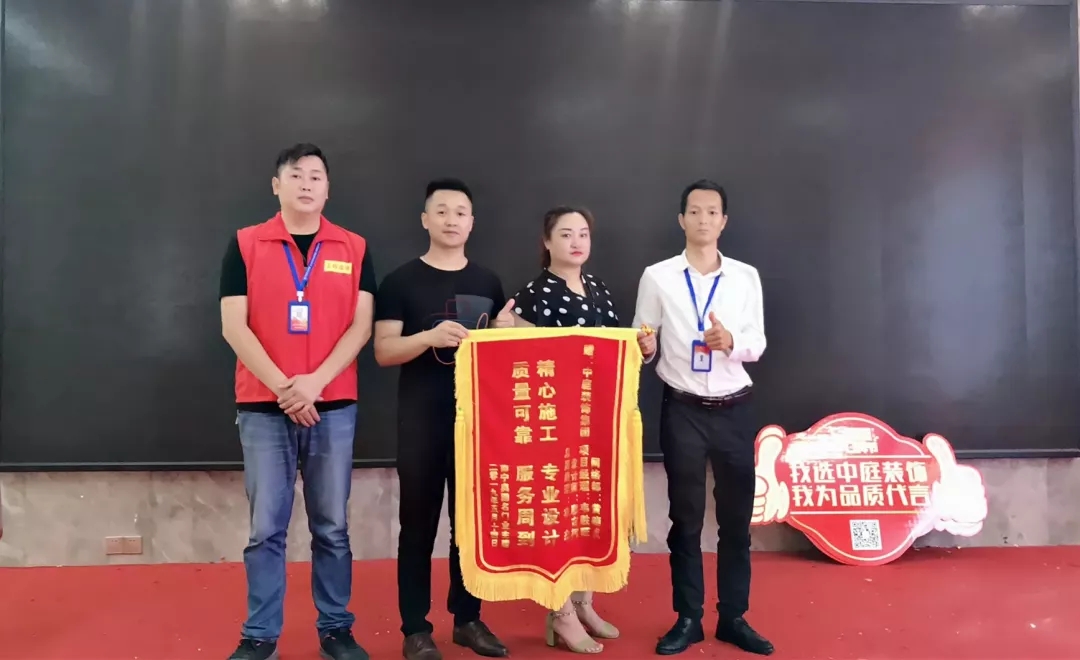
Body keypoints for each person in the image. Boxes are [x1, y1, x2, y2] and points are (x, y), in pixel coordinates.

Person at [219, 143, 375, 660]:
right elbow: (233, 326)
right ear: (276, 185)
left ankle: (336, 630)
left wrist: (314, 384)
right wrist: (287, 389)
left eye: (316, 176)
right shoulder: (245, 243)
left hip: (333, 406)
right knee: (266, 530)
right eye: (296, 175)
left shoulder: (354, 247)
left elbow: (361, 327)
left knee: (332, 527)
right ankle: (260, 635)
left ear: (328, 188)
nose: (307, 184)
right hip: (264, 407)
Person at [373, 178, 515, 660]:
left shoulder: (488, 283)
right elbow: (384, 351)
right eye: (442, 211)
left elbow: (500, 356)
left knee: (469, 526)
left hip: (476, 423)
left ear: (471, 223)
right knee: (417, 526)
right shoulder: (400, 281)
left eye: (460, 212)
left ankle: (467, 619)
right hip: (421, 422)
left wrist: (505, 332)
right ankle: (415, 628)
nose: (451, 220)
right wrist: (427, 338)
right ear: (425, 219)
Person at [631, 180, 772, 657]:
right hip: (683, 409)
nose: (703, 219)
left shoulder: (745, 277)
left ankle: (734, 617)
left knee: (735, 520)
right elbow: (643, 338)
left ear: (723, 221)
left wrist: (731, 342)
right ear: (681, 220)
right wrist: (645, 345)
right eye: (695, 211)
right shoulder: (658, 277)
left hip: (735, 408)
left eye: (712, 212)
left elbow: (757, 343)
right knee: (685, 518)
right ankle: (688, 618)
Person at [507, 206, 653, 654]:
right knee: (559, 514)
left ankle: (583, 602)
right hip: (554, 423)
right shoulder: (533, 294)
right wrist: (507, 329)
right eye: (566, 234)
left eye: (583, 234)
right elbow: (517, 352)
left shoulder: (599, 289)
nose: (576, 242)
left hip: (597, 421)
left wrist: (642, 347)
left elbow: (615, 351)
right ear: (547, 242)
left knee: (590, 511)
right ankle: (560, 613)